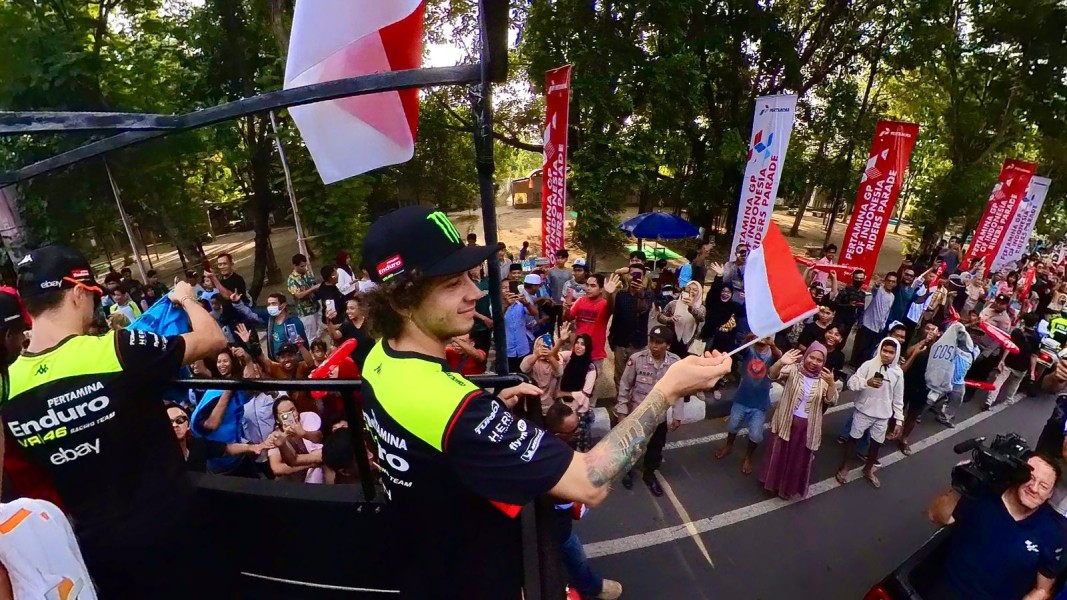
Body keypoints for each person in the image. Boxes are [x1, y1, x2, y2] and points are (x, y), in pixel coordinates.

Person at [356, 206, 732, 598]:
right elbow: (588, 481)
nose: (474, 292)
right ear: (400, 302)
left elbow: (426, 436)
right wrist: (668, 389)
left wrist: (494, 402)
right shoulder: (456, 409)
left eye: (470, 275)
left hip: (425, 560)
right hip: (474, 579)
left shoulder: (380, 357)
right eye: (451, 284)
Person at [2, 244, 229, 598]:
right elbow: (212, 339)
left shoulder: (7, 388)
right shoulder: (116, 349)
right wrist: (186, 299)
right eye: (92, 295)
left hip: (98, 550)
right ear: (78, 293)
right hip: (173, 530)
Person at [927, 455, 1065, 600]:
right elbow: (935, 515)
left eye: (1043, 486)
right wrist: (959, 488)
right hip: (948, 589)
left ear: (1050, 494)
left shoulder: (1052, 533)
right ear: (1019, 475)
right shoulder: (983, 495)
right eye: (1029, 478)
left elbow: (1042, 589)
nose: (1034, 488)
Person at [543, 401, 623, 600]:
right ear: (560, 435)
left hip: (547, 516)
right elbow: (576, 509)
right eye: (574, 429)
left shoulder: (548, 441)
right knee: (572, 550)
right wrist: (595, 492)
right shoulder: (557, 464)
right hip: (555, 523)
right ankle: (591, 586)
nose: (579, 430)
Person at [760, 344, 839, 500]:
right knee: (780, 455)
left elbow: (832, 400)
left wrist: (831, 384)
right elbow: (772, 375)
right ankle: (772, 484)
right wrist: (781, 362)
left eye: (819, 360)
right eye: (811, 357)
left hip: (806, 427)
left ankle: (787, 489)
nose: (814, 362)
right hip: (786, 421)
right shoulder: (794, 369)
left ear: (823, 362)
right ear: (806, 355)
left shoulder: (824, 379)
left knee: (796, 460)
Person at [615, 326, 684, 496]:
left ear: (667, 345)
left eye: (659, 342)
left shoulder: (675, 363)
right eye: (651, 341)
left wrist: (677, 414)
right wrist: (622, 412)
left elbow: (679, 389)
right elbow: (624, 386)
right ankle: (627, 472)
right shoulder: (637, 359)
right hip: (637, 415)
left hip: (659, 417)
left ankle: (649, 474)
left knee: (655, 448)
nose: (653, 345)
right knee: (632, 447)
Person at [836, 338, 904, 489]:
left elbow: (898, 398)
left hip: (883, 415)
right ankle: (845, 466)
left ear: (896, 354)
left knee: (876, 444)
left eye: (891, 352)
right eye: (884, 351)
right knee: (853, 439)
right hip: (863, 411)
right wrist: (866, 382)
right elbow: (852, 383)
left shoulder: (898, 373)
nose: (886, 355)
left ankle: (868, 469)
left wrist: (899, 420)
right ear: (880, 349)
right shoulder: (868, 365)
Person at [716, 335, 781, 474]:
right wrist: (751, 336)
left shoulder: (772, 355)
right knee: (733, 425)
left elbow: (780, 358)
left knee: (756, 435)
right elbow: (741, 348)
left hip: (760, 404)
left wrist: (773, 344)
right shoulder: (749, 350)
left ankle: (748, 458)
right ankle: (728, 446)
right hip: (742, 399)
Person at [167, 402, 270, 473]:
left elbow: (227, 448)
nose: (175, 425)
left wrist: (252, 447)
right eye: (170, 422)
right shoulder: (158, 455)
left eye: (180, 420)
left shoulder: (198, 444)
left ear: (188, 424)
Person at [897, 322, 941, 455]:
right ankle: (890, 431)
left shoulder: (939, 347)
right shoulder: (917, 340)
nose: (930, 331)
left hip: (924, 386)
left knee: (913, 414)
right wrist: (923, 341)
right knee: (898, 409)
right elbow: (908, 352)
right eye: (927, 329)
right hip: (908, 381)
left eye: (933, 329)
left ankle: (904, 439)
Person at [985, 312, 1041, 410]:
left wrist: (1002, 360)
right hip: (1023, 365)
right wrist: (1032, 372)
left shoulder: (1016, 332)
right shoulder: (1036, 339)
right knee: (1015, 383)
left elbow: (1009, 347)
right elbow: (1034, 356)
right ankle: (1009, 398)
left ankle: (988, 401)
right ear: (1035, 324)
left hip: (1010, 361)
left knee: (998, 381)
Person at [609, 264, 652, 387]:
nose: (635, 277)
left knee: (637, 375)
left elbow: (644, 309)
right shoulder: (621, 295)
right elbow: (615, 316)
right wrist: (612, 338)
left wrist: (640, 294)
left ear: (643, 277)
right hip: (621, 341)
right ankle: (620, 400)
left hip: (638, 343)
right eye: (633, 274)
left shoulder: (647, 295)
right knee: (619, 375)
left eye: (639, 275)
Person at [565, 272, 620, 368]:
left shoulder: (604, 304)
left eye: (593, 286)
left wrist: (610, 294)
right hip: (578, 350)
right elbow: (568, 318)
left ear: (601, 289)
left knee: (591, 382)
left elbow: (611, 308)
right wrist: (566, 309)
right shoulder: (580, 301)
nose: (588, 288)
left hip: (595, 353)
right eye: (587, 285)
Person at [267, 395, 324, 483]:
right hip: (292, 483)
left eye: (292, 410)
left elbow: (319, 438)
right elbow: (277, 469)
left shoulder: (307, 418)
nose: (291, 415)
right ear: (277, 420)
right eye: (284, 414)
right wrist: (311, 464)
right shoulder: (275, 436)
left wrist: (304, 434)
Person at [557, 327, 596, 452]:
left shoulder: (591, 368)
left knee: (580, 446)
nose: (579, 347)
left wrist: (562, 393)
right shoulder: (569, 357)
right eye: (577, 343)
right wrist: (560, 341)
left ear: (588, 348)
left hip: (579, 410)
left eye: (583, 344)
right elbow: (555, 356)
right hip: (564, 406)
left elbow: (585, 393)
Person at [851, 271, 898, 366]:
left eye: (893, 281)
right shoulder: (879, 290)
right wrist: (876, 285)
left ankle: (861, 367)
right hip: (867, 323)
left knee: (868, 351)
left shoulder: (892, 296)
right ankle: (853, 366)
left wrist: (883, 323)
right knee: (860, 348)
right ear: (885, 281)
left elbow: (887, 311)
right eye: (888, 281)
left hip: (878, 328)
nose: (890, 283)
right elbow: (874, 290)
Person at [660, 280, 707, 358]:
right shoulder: (673, 304)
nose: (691, 292)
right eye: (688, 289)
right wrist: (669, 319)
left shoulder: (701, 308)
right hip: (672, 339)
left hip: (690, 344)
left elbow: (701, 317)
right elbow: (660, 317)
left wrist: (691, 307)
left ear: (699, 293)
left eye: (695, 290)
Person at [326, 296, 375, 369]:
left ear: (361, 309)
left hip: (372, 362)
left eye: (352, 308)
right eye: (347, 308)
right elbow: (335, 335)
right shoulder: (347, 325)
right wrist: (328, 321)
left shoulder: (370, 323)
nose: (348, 311)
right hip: (356, 366)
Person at [261, 292, 309, 361]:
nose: (270, 306)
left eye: (274, 303)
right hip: (277, 362)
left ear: (283, 305)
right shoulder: (270, 321)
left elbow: (304, 345)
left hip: (293, 362)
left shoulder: (294, 322)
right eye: (269, 304)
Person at [286, 253, 321, 342]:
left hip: (315, 306)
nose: (304, 268)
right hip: (305, 312)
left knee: (319, 332)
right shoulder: (292, 280)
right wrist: (312, 289)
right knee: (311, 336)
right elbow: (299, 295)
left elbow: (313, 284)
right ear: (295, 266)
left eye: (305, 266)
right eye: (302, 266)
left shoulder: (308, 273)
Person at [833, 269, 867, 346]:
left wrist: (859, 323)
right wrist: (849, 305)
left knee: (842, 342)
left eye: (861, 279)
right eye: (857, 278)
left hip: (849, 322)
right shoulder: (845, 290)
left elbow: (861, 310)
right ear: (853, 278)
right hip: (839, 320)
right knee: (833, 339)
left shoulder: (862, 294)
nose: (859, 280)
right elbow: (835, 305)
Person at [469, 266, 495, 353]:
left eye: (475, 266)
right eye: (472, 267)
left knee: (486, 348)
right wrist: (483, 318)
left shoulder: (487, 282)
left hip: (489, 323)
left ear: (480, 267)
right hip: (475, 325)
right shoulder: (469, 284)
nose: (473, 269)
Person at [317, 265, 346, 330]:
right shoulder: (329, 295)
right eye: (335, 273)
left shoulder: (325, 285)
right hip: (336, 322)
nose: (338, 275)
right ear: (330, 277)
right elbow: (333, 313)